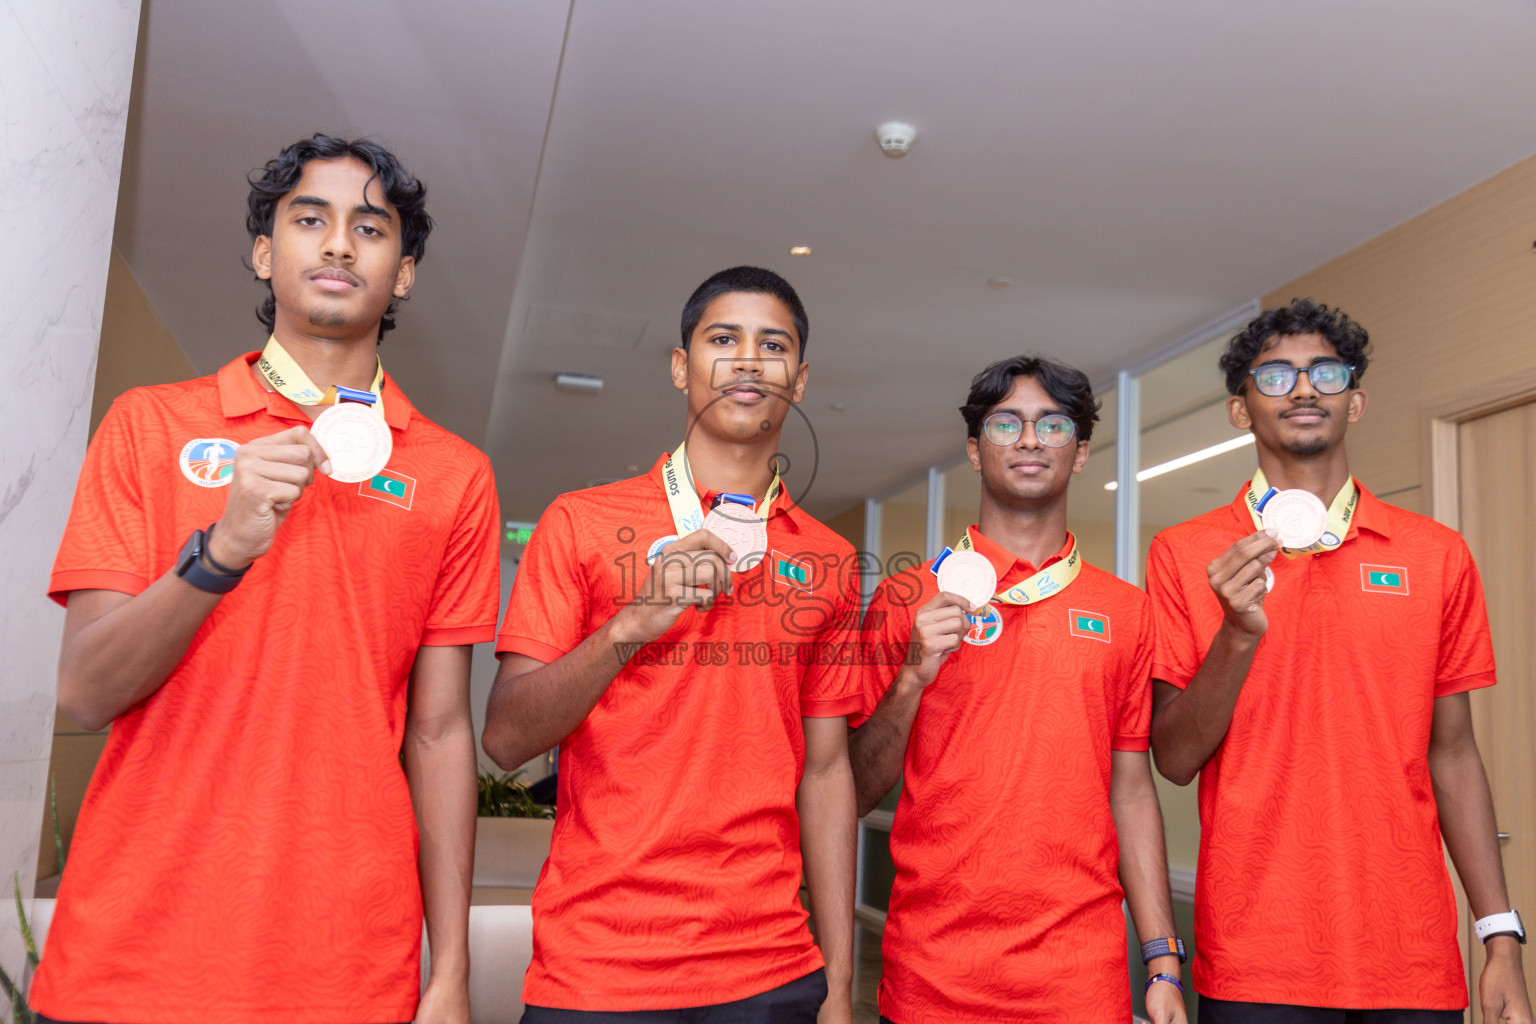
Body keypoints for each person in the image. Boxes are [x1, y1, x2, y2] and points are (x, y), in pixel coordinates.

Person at [33, 134, 499, 1024]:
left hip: (347, 971)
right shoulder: (150, 426)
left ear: (403, 273)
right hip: (133, 963)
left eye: (370, 228)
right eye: (309, 220)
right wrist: (220, 553)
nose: (336, 245)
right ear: (263, 253)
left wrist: (451, 972)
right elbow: (87, 692)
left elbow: (440, 735)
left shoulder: (454, 475)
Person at [482, 266, 858, 1024]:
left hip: (773, 968)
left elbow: (824, 774)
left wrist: (842, 982)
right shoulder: (580, 523)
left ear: (801, 378)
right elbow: (506, 738)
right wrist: (627, 626)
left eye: (772, 345)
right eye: (724, 339)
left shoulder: (832, 560)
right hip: (601, 964)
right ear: (682, 368)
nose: (749, 360)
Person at [1146, 299, 1532, 1023]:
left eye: (1325, 372)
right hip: (1257, 954)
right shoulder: (1187, 552)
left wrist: (1500, 936)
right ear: (1241, 410)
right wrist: (1234, 632)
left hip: (1411, 953)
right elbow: (1172, 756)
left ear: (1354, 401)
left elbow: (1454, 756)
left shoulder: (1436, 553)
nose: (1303, 388)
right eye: (1276, 375)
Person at [848, 355, 1188, 1024]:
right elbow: (854, 789)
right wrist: (913, 676)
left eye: (1052, 424)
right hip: (931, 976)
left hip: (1079, 983)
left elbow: (1131, 789)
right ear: (975, 450)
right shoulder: (906, 597)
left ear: (1081, 451)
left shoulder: (1126, 611)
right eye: (1007, 423)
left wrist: (1162, 959)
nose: (1030, 439)